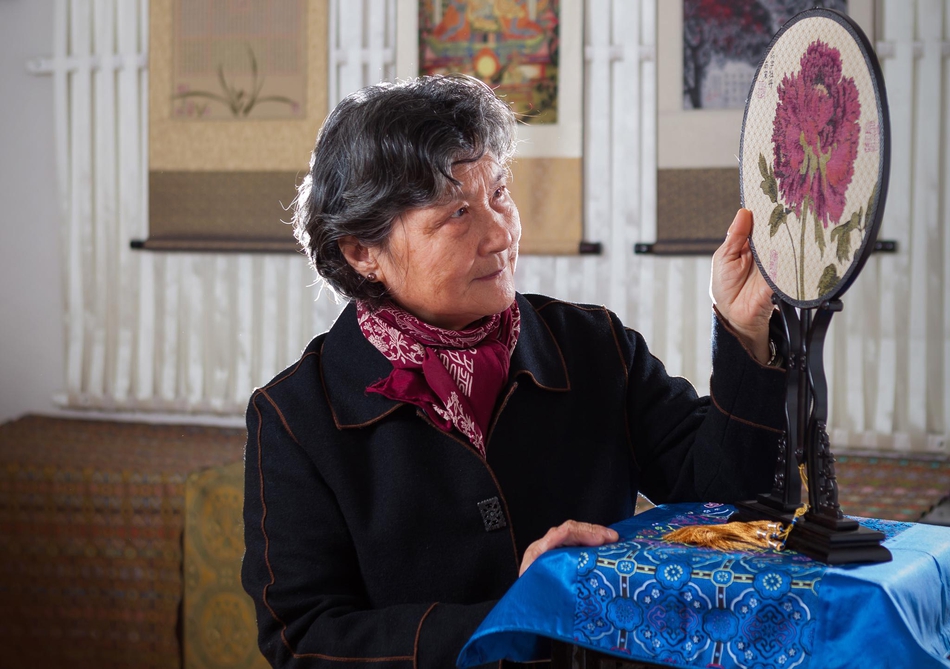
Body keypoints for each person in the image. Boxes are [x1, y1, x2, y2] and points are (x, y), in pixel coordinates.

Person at [241, 74, 785, 669]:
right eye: (457, 213)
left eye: (499, 193)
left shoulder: (594, 346)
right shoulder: (294, 418)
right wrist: (514, 617)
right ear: (362, 252)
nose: (499, 234)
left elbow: (736, 508)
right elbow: (304, 641)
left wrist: (745, 335)